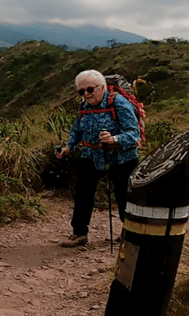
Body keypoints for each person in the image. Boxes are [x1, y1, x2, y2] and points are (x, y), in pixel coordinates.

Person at [56, 69, 140, 247]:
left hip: (121, 157)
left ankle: (130, 231)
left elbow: (134, 133)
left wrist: (114, 139)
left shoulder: (119, 103)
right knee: (83, 193)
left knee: (124, 194)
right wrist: (68, 147)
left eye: (90, 90)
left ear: (102, 88)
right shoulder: (84, 107)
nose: (86, 94)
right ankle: (79, 233)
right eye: (81, 91)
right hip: (90, 155)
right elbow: (77, 130)